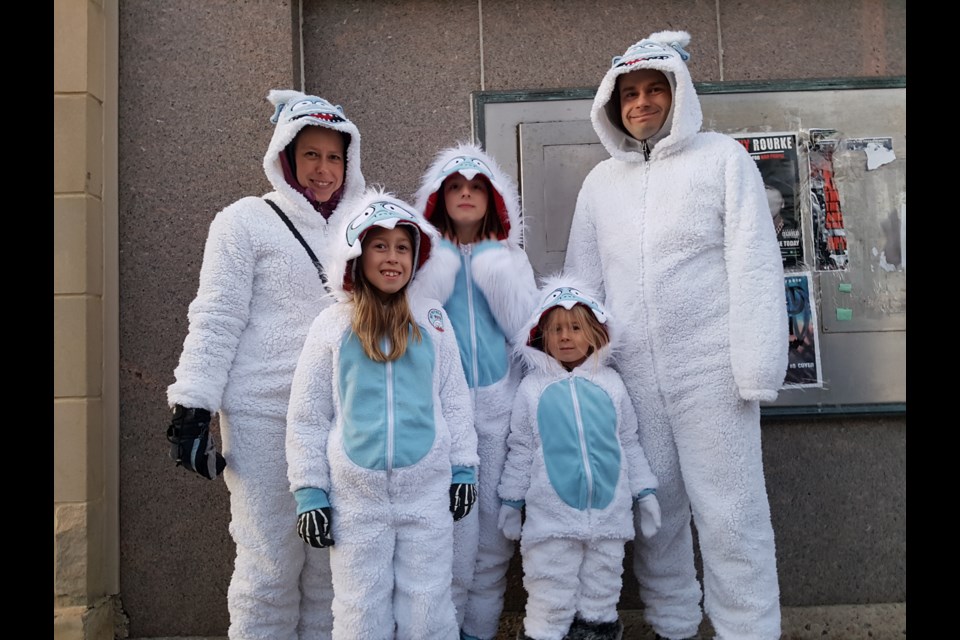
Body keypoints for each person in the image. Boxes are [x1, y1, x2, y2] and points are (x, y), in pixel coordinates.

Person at [564, 30, 788, 640]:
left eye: (654, 89)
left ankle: (748, 629)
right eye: (628, 93)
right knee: (655, 513)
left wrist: (757, 364)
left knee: (731, 513)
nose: (641, 103)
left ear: (677, 93)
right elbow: (582, 285)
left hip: (713, 371)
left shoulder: (722, 160)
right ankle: (673, 625)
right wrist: (582, 374)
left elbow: (754, 261)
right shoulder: (600, 184)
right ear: (614, 105)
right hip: (631, 375)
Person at [165, 89, 365, 640]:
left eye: (334, 157)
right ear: (285, 157)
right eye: (311, 155)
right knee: (270, 561)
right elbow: (217, 315)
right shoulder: (243, 222)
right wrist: (193, 403)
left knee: (331, 561)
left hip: (343, 415)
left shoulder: (364, 225)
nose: (324, 170)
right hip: (263, 415)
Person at [285, 188, 480, 640]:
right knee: (359, 608)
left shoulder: (432, 319)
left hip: (426, 493)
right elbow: (308, 413)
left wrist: (463, 468)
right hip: (357, 498)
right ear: (356, 253)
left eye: (402, 247)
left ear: (416, 257)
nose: (392, 258)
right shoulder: (333, 325)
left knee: (429, 602)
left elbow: (454, 398)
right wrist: (310, 492)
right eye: (379, 245)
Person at [411, 142, 537, 640]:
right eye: (455, 188)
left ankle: (477, 632)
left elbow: (530, 335)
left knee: (489, 545)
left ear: (493, 199)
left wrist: (497, 275)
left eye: (476, 188)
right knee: (446, 540)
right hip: (438, 412)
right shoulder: (421, 257)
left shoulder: (510, 258)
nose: (465, 195)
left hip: (499, 410)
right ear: (439, 198)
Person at [497, 277, 661, 640]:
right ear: (542, 336)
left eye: (575, 327)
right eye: (556, 329)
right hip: (551, 524)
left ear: (594, 333)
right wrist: (511, 501)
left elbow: (628, 443)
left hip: (608, 522)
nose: (565, 337)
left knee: (600, 601)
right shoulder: (532, 390)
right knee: (549, 600)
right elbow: (521, 449)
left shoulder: (612, 386)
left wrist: (644, 493)